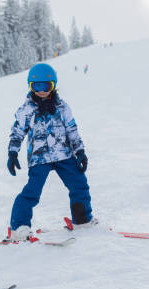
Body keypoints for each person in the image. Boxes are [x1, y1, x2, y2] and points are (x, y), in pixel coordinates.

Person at [6, 63, 97, 241]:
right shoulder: (27, 109)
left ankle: (82, 219)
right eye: (36, 86)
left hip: (64, 155)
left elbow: (72, 130)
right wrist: (12, 153)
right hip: (39, 158)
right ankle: (19, 228)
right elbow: (17, 132)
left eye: (46, 86)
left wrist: (80, 151)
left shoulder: (63, 107)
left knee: (79, 185)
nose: (41, 91)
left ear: (53, 85)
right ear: (30, 86)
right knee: (32, 192)